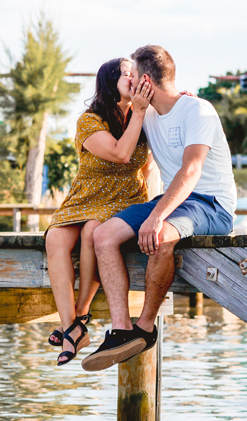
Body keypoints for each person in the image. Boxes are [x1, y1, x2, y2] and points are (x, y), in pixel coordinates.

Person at [81, 44, 237, 371]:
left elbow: (190, 170)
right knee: (104, 236)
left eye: (133, 77)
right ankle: (122, 329)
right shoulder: (147, 115)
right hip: (173, 202)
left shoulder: (198, 110)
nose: (130, 84)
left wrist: (156, 217)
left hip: (211, 204)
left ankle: (145, 327)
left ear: (146, 80)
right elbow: (118, 140)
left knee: (161, 236)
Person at [44, 57, 154, 366]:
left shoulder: (146, 116)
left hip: (125, 197)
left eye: (136, 74)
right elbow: (120, 153)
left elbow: (147, 166)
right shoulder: (89, 121)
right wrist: (141, 112)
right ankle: (72, 326)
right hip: (86, 195)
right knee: (55, 239)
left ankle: (78, 320)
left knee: (94, 229)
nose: (134, 79)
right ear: (109, 82)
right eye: (126, 74)